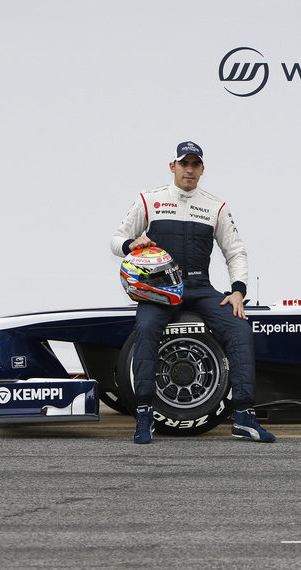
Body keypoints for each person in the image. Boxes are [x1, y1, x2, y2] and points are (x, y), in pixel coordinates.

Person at [111, 141, 275, 444]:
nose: (189, 169)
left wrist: (238, 292)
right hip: (159, 289)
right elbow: (117, 238)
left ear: (202, 169)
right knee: (146, 328)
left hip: (199, 287)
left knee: (239, 328)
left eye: (195, 164)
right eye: (183, 164)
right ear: (172, 166)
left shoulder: (215, 206)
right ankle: (144, 416)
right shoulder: (150, 200)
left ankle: (244, 417)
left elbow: (236, 252)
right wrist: (129, 245)